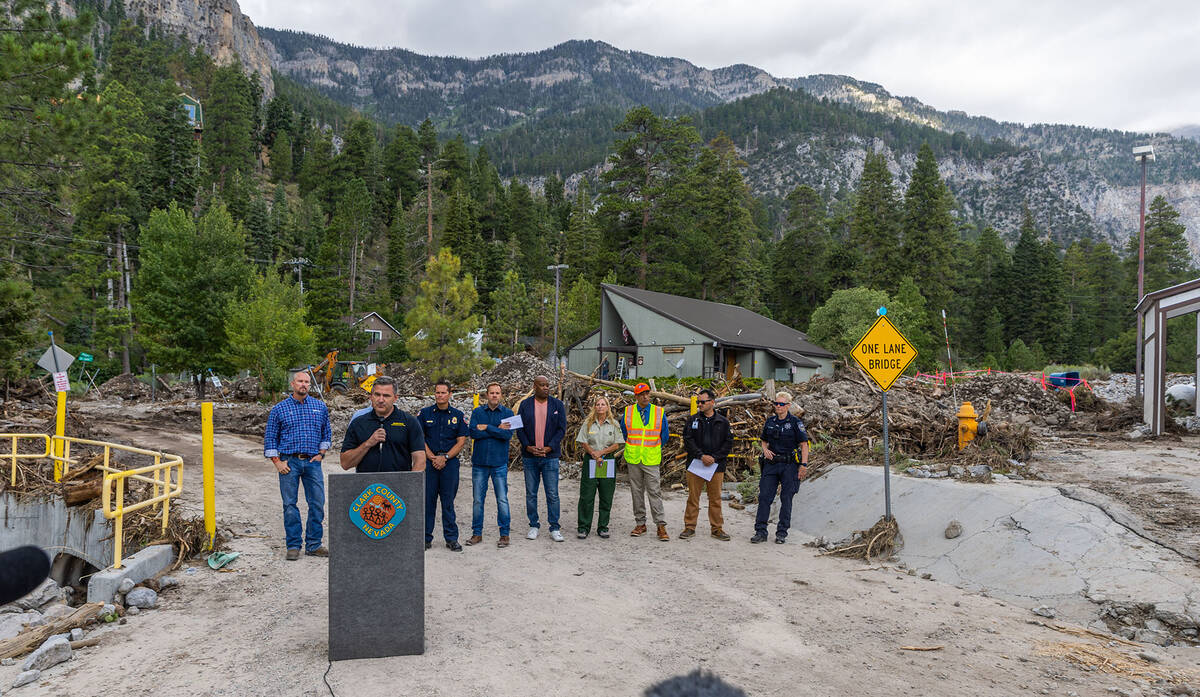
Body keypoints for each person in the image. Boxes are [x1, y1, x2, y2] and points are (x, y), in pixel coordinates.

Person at [263, 371, 332, 561]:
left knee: (317, 503)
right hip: (289, 462)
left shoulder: (320, 407)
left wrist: (321, 454)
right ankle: (293, 545)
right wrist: (277, 462)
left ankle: (314, 544)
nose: (304, 385)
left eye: (307, 382)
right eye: (300, 381)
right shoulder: (279, 409)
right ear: (293, 384)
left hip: (312, 462)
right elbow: (270, 438)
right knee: (290, 505)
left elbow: (327, 433)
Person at [752, 391, 810, 544]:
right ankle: (760, 531)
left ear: (788, 406)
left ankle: (782, 533)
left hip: (789, 465)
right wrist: (765, 449)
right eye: (776, 404)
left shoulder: (795, 423)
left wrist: (803, 465)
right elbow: (764, 440)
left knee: (786, 498)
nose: (778, 406)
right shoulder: (770, 421)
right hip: (771, 465)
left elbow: (804, 445)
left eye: (781, 404)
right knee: (764, 497)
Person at [515, 375, 567, 542]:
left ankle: (554, 527)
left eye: (547, 385)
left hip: (550, 456)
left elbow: (561, 429)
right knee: (531, 493)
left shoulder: (557, 405)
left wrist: (549, 447)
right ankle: (533, 525)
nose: (546, 388)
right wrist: (527, 446)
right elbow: (519, 428)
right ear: (535, 386)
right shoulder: (525, 404)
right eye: (542, 385)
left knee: (552, 493)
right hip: (530, 457)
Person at [340, 376, 426, 474]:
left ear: (395, 398)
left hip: (399, 486)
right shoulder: (358, 423)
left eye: (386, 396)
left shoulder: (409, 422)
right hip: (367, 487)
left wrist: (410, 485)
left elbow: (420, 460)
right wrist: (368, 444)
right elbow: (345, 463)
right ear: (371, 396)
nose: (381, 400)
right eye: (377, 395)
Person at [420, 380, 469, 552]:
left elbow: (461, 441)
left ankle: (451, 539)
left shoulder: (457, 414)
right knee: (428, 502)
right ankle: (425, 538)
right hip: (430, 463)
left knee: (448, 502)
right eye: (437, 392)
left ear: (450, 394)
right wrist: (433, 457)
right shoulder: (425, 414)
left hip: (449, 465)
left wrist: (445, 457)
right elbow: (421, 438)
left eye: (443, 392)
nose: (440, 395)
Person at [681, 388, 732, 541]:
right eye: (698, 402)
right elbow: (688, 440)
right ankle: (689, 527)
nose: (700, 404)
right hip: (696, 464)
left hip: (716, 466)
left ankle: (717, 528)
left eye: (703, 402)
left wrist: (714, 458)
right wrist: (701, 456)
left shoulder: (723, 422)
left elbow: (728, 443)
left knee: (715, 498)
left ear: (712, 402)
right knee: (693, 497)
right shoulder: (693, 420)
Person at [467, 382, 514, 548]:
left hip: (499, 463)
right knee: (478, 500)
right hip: (480, 463)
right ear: (486, 395)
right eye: (492, 393)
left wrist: (486, 427)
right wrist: (496, 429)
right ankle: (477, 533)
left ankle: (504, 534)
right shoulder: (477, 412)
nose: (494, 395)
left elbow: (507, 435)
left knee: (502, 499)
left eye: (497, 393)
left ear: (501, 395)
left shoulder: (508, 413)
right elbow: (473, 433)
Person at [621, 383, 670, 541]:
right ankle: (640, 523)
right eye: (641, 394)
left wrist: (653, 448)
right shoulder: (628, 412)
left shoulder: (658, 412)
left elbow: (665, 435)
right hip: (634, 458)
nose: (645, 396)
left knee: (654, 492)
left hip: (651, 458)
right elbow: (625, 432)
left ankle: (660, 525)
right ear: (636, 396)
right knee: (636, 491)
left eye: (647, 393)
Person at [575, 395, 624, 539]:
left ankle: (603, 527)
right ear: (594, 407)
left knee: (606, 495)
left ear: (608, 407)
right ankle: (583, 527)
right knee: (587, 495)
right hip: (591, 460)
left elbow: (617, 444)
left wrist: (601, 453)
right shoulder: (588, 423)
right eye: (598, 404)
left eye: (603, 404)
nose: (600, 407)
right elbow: (583, 441)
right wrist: (594, 454)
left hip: (607, 460)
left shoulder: (614, 424)